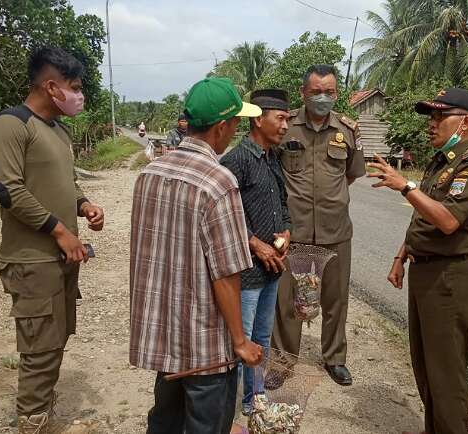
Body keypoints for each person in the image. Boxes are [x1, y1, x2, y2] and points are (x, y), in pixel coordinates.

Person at [130, 77, 264, 434]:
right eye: (236, 123)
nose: (237, 130)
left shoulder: (149, 174)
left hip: (167, 340)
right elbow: (226, 274)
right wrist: (240, 340)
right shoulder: (219, 183)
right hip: (206, 350)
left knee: (165, 423)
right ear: (221, 128)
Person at [0, 46, 105, 434]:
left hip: (62, 256)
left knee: (55, 339)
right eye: (74, 86)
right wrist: (59, 230)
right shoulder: (10, 125)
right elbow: (9, 190)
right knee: (38, 348)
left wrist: (84, 204)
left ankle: (41, 411)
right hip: (32, 259)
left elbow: (64, 184)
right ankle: (33, 422)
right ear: (51, 87)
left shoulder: (57, 130)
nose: (79, 94)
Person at [369, 88, 468, 434]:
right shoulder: (443, 162)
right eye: (431, 116)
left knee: (447, 376)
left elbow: (448, 221)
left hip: (450, 277)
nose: (432, 124)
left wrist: (405, 186)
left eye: (441, 116)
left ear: (465, 122)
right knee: (425, 369)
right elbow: (422, 219)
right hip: (425, 271)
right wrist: (401, 255)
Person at [271, 64, 365, 386]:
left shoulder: (348, 131)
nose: (323, 98)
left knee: (335, 299)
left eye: (330, 92)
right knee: (287, 301)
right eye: (316, 92)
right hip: (292, 232)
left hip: (335, 231)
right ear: (303, 93)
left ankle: (334, 358)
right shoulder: (286, 127)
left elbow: (350, 174)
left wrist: (330, 198)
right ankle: (283, 362)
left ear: (336, 93)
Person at [220, 89, 292, 415]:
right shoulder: (238, 159)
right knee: (243, 339)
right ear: (259, 119)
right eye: (281, 118)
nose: (286, 126)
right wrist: (254, 242)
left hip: (271, 267)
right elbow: (224, 211)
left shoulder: (273, 157)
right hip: (247, 270)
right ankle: (230, 409)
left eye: (288, 119)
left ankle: (254, 399)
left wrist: (287, 231)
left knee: (262, 335)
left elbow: (283, 204)